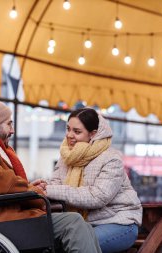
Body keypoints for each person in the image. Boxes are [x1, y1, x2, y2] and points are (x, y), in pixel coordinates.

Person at [0, 98, 102, 253]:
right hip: (1, 222)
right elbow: (8, 185)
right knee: (74, 223)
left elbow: (5, 185)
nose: (12, 130)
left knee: (84, 226)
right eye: (9, 124)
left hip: (6, 218)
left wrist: (30, 188)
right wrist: (36, 192)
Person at [44, 108, 143, 253]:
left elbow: (97, 197)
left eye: (77, 132)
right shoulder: (66, 157)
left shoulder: (111, 159)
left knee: (75, 244)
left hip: (118, 223)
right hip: (80, 225)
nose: (69, 135)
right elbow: (55, 186)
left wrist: (50, 190)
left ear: (93, 134)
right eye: (68, 129)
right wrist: (45, 186)